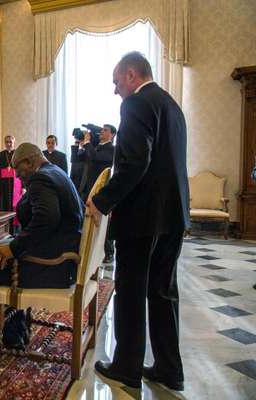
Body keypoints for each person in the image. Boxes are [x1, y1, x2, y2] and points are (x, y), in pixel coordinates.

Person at [87, 52, 189, 391]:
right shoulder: (172, 106)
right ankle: (168, 368)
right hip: (173, 216)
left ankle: (126, 367)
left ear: (132, 75)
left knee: (130, 292)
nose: (116, 91)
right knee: (163, 292)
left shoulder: (136, 104)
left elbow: (134, 163)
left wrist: (101, 201)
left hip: (142, 218)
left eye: (117, 82)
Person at [0, 143, 83, 351]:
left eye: (19, 171)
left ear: (29, 162)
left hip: (53, 267)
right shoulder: (57, 172)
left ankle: (3, 336)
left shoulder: (41, 179)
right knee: (1, 255)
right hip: (65, 260)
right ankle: (18, 327)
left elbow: (46, 219)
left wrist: (14, 248)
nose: (18, 177)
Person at [78, 124, 116, 264]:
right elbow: (82, 157)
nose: (101, 131)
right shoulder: (95, 147)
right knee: (89, 221)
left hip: (101, 191)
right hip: (88, 188)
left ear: (112, 135)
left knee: (104, 223)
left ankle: (109, 252)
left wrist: (87, 142)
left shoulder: (112, 149)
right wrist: (83, 144)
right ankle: (91, 250)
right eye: (102, 129)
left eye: (105, 130)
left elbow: (96, 158)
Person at [0, 135, 23, 232]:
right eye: (7, 142)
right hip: (3, 185)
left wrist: (24, 186)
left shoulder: (18, 155)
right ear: (5, 143)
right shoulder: (0, 155)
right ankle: (3, 230)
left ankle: (15, 230)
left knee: (15, 208)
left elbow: (22, 171)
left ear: (14, 142)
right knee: (3, 206)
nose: (9, 144)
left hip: (16, 185)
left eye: (11, 142)